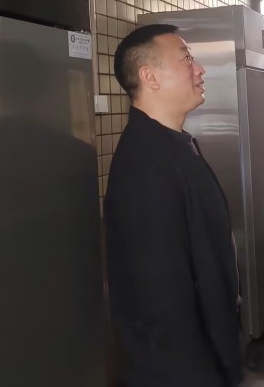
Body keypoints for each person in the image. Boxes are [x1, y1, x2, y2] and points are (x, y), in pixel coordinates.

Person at [104, 24, 243, 387]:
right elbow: (159, 302)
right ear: (149, 77)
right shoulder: (145, 166)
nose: (199, 69)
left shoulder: (173, 145)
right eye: (186, 59)